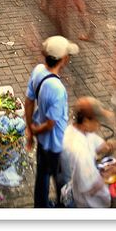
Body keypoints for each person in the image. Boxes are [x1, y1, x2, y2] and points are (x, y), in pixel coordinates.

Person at [25, 35, 79, 208]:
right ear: (63, 59)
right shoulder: (58, 89)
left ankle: (40, 206)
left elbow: (29, 101)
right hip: (56, 144)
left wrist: (30, 128)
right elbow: (50, 124)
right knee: (62, 180)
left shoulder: (38, 71)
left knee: (42, 176)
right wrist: (34, 131)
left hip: (42, 142)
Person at [60, 97, 116, 208]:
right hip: (89, 203)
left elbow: (101, 146)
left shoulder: (76, 129)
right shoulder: (80, 151)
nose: (99, 125)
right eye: (97, 121)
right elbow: (91, 186)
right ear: (86, 121)